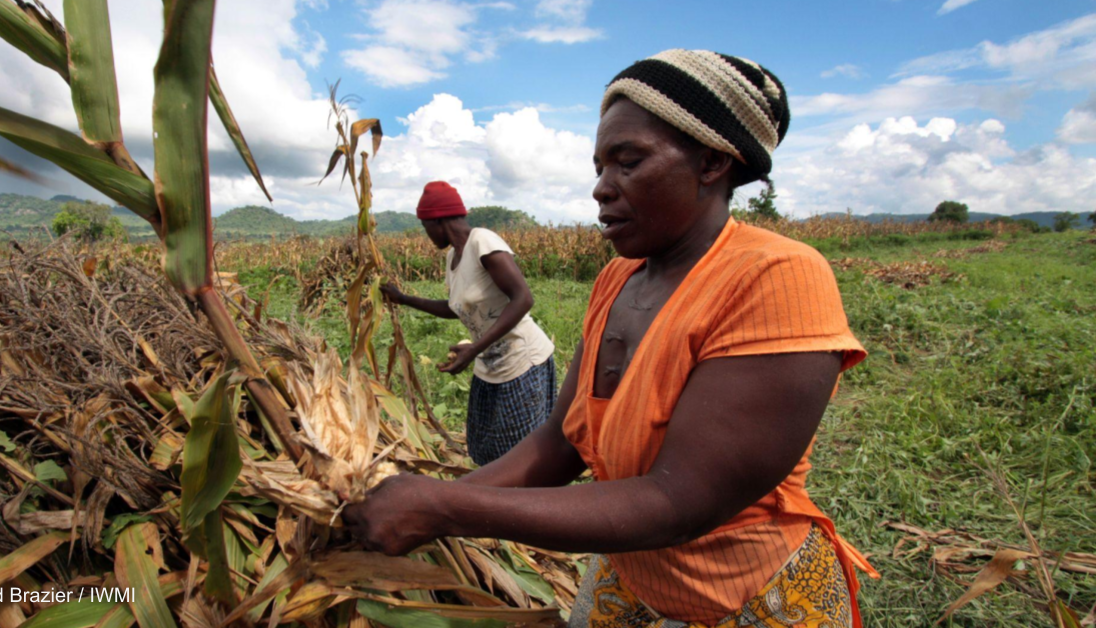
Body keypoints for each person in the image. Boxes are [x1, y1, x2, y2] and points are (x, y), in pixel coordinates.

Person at [346, 50, 880, 627]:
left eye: (628, 162)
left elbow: (678, 503)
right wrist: (425, 500)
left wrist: (446, 507)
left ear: (712, 163)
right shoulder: (619, 277)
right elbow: (559, 443)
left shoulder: (776, 278)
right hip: (627, 581)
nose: (602, 189)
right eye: (599, 167)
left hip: (744, 601)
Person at [381, 181, 557, 466]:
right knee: (485, 450)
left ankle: (529, 507)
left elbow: (523, 298)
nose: (426, 235)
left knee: (520, 458)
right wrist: (403, 299)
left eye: (426, 227)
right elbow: (455, 308)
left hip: (522, 362)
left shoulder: (481, 242)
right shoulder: (454, 257)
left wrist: (474, 348)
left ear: (438, 220)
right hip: (489, 364)